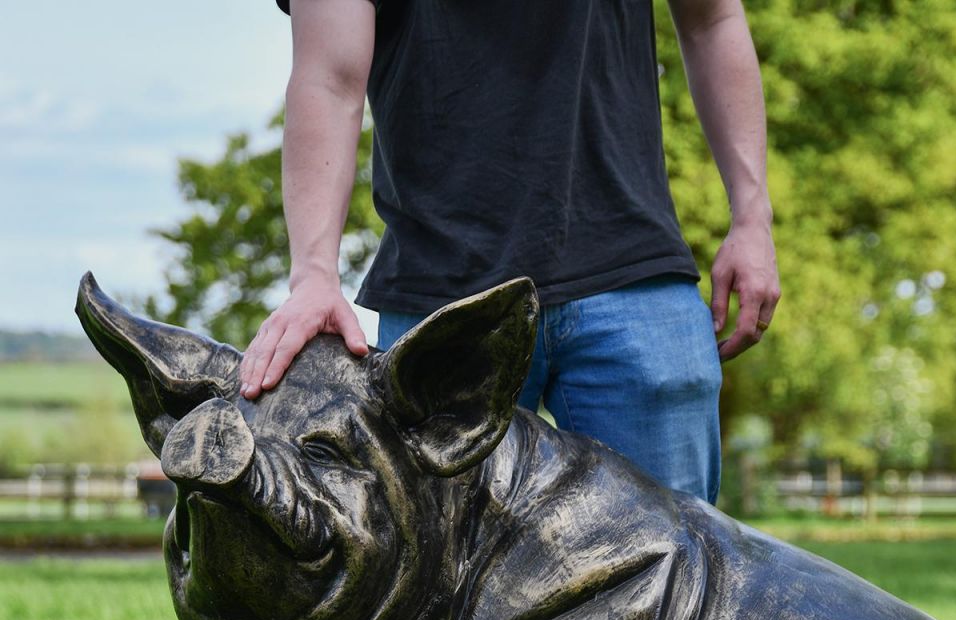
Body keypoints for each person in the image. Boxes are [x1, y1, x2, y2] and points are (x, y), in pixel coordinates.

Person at [241, 0, 780, 504]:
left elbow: (713, 18)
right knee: (445, 592)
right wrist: (313, 275)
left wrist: (753, 219)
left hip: (635, 285)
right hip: (444, 311)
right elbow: (327, 80)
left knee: (679, 584)